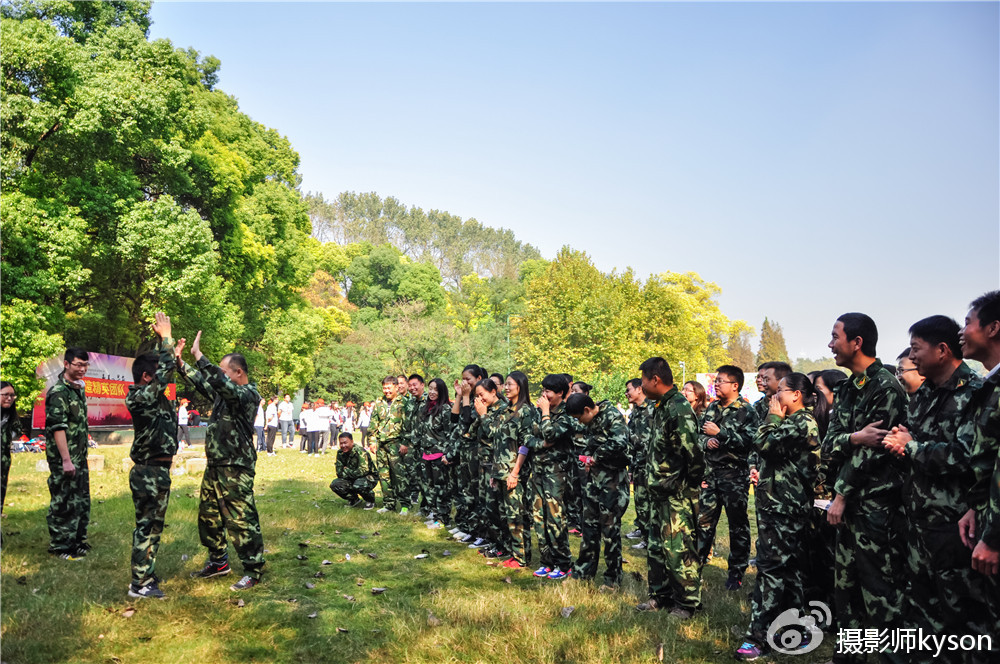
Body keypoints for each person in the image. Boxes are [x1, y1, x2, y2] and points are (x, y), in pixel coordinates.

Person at [881, 315, 991, 654]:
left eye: (916, 349)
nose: (911, 358)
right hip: (919, 520)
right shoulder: (925, 392)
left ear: (942, 350)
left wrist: (910, 446)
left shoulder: (973, 391)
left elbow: (967, 455)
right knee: (924, 611)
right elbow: (916, 440)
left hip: (954, 524)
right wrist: (902, 442)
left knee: (963, 617)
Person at [825, 313, 907, 662]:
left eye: (835, 336)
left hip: (875, 505)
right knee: (847, 585)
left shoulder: (885, 387)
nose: (830, 344)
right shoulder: (847, 388)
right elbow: (829, 444)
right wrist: (854, 437)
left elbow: (874, 454)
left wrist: (841, 495)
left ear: (856, 342)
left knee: (880, 589)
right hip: (849, 504)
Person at [735, 373, 821, 660]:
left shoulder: (801, 422)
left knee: (770, 570)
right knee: (790, 570)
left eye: (780, 392)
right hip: (780, 505)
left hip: (785, 508)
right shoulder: (795, 422)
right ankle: (796, 630)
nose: (775, 398)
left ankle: (758, 638)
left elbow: (764, 443)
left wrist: (772, 417)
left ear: (796, 394)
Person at [177, 331, 264, 591]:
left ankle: (254, 568)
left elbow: (218, 382)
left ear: (238, 373)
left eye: (225, 372)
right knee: (209, 516)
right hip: (215, 465)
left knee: (240, 518)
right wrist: (181, 364)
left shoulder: (248, 394)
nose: (221, 376)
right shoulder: (224, 394)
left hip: (236, 467)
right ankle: (218, 562)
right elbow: (205, 383)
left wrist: (200, 356)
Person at [636, 357, 704, 618]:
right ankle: (660, 597)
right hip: (659, 491)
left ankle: (686, 603)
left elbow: (693, 454)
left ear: (655, 379)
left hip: (676, 493)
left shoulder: (678, 408)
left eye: (643, 380)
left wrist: (686, 485)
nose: (641, 385)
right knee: (656, 547)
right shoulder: (662, 406)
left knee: (679, 549)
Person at [124, 312, 180, 599]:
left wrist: (163, 344)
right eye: (156, 373)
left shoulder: (154, 397)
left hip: (158, 471)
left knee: (154, 525)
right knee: (147, 525)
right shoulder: (139, 397)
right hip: (147, 472)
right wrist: (167, 339)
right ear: (148, 377)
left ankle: (145, 571)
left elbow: (164, 368)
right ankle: (139, 584)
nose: (162, 376)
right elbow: (165, 370)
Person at [959, 291, 1000, 636]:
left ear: (993, 328)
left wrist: (995, 537)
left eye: (968, 322)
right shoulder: (991, 385)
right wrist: (976, 507)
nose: (962, 331)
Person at [697, 365, 758, 590]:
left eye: (720, 381)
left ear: (735, 385)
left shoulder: (746, 411)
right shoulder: (712, 408)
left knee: (737, 526)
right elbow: (698, 436)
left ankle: (736, 573)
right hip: (711, 476)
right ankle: (696, 567)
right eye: (716, 381)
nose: (716, 384)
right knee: (703, 523)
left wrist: (721, 434)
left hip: (735, 476)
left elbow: (751, 442)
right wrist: (706, 441)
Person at [566, 393, 631, 589]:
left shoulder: (612, 416)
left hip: (611, 480)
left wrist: (597, 455)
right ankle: (583, 571)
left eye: (579, 418)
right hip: (592, 480)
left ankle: (613, 579)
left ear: (587, 410)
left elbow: (620, 443)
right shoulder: (590, 421)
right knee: (589, 526)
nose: (580, 423)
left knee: (610, 529)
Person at [481, 371, 538, 570]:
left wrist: (515, 473)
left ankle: (522, 558)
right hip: (502, 471)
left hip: (516, 472)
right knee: (507, 515)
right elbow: (497, 440)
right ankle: (514, 553)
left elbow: (525, 445)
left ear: (520, 386)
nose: (506, 387)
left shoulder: (526, 411)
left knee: (517, 516)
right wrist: (496, 473)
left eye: (510, 384)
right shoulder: (508, 410)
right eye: (505, 384)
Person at [44, 347, 92, 560]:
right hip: (65, 458)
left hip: (80, 455)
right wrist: (66, 460)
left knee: (81, 499)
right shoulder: (58, 392)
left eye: (85, 365)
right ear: (66, 364)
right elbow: (58, 427)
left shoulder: (77, 389)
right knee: (64, 499)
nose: (82, 369)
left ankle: (77, 541)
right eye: (78, 364)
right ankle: (61, 545)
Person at [530, 374, 576, 580]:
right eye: (543, 390)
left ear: (560, 393)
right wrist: (541, 444)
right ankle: (547, 561)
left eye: (548, 391)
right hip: (538, 469)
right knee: (539, 517)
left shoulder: (567, 415)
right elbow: (528, 437)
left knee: (555, 516)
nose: (544, 394)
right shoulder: (539, 412)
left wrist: (546, 414)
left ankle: (564, 563)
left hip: (557, 472)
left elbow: (550, 434)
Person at [414, 378, 453, 528]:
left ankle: (443, 519)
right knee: (430, 489)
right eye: (430, 388)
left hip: (440, 455)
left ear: (442, 391)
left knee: (442, 489)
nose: (432, 392)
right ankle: (436, 515)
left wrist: (447, 454)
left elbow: (450, 434)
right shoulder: (426, 408)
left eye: (435, 389)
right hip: (427, 454)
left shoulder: (445, 409)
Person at [625, 378, 655, 550]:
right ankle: (644, 534)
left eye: (629, 390)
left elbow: (650, 439)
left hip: (650, 464)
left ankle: (650, 538)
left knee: (649, 503)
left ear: (639, 389)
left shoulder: (652, 408)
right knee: (640, 501)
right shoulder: (636, 411)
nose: (627, 394)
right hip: (638, 464)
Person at [370, 376, 407, 514]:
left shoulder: (404, 402)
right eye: (384, 388)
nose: (386, 391)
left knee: (399, 475)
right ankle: (389, 503)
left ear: (396, 387)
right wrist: (372, 441)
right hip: (381, 445)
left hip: (396, 444)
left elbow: (408, 425)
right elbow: (373, 424)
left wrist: (405, 443)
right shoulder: (379, 403)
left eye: (389, 387)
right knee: (383, 475)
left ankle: (405, 504)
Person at [329, 432, 377, 509]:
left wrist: (347, 470)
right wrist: (351, 472)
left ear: (352, 442)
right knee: (335, 484)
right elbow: (339, 473)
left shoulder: (360, 452)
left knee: (358, 485)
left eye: (345, 443)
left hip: (369, 477)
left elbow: (363, 471)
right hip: (353, 478)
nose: (343, 446)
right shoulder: (340, 453)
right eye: (341, 443)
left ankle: (370, 500)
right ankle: (354, 499)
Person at [2, 381, 23, 513]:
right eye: (5, 395)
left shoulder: (10, 416)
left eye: (12, 395)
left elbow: (18, 430)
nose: (9, 398)